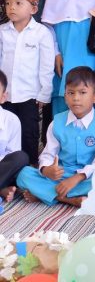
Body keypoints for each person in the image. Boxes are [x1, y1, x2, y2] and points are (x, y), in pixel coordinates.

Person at [16, 66, 95, 206]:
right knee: (23, 174)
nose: (76, 98)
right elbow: (48, 154)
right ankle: (70, 199)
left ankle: (47, 194)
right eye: (71, 93)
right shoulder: (56, 122)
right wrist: (46, 169)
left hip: (86, 176)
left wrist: (77, 178)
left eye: (82, 92)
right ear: (65, 96)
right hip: (62, 175)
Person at [0, 0, 53, 165]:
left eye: (18, 3)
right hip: (5, 96)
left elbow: (46, 66)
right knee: (7, 134)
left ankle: (29, 171)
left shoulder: (41, 33)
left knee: (29, 135)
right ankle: (9, 171)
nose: (11, 8)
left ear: (33, 8)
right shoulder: (2, 32)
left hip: (29, 96)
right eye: (8, 3)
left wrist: (44, 93)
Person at [0, 70, 29, 203]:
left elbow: (12, 157)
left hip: (2, 169)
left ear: (3, 97)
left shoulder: (11, 120)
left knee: (21, 158)